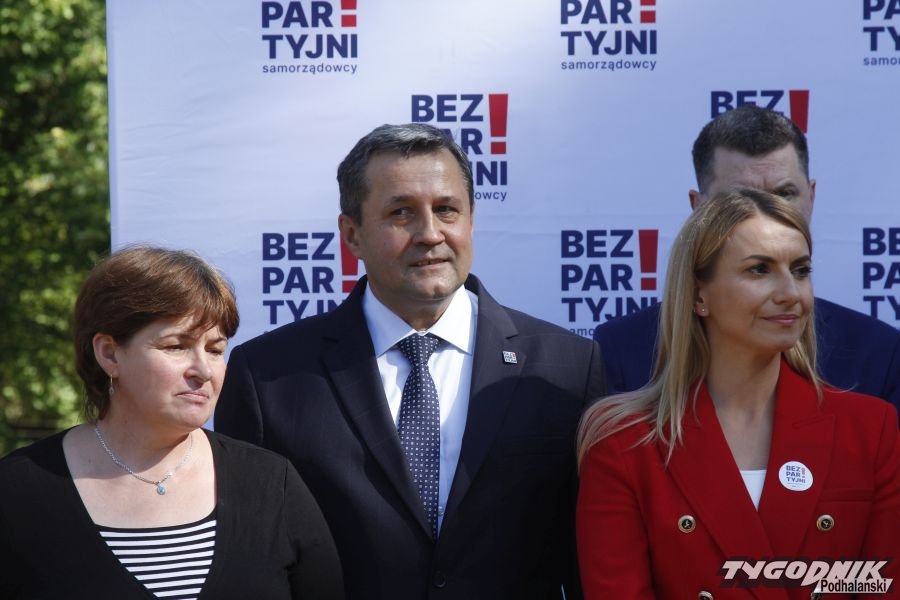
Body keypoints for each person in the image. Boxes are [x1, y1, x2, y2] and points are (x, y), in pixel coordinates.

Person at [215, 123, 606, 599]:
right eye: (401, 213)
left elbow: (594, 563)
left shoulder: (566, 366)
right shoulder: (268, 377)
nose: (430, 234)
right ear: (351, 234)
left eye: (446, 210)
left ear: (471, 220)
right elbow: (249, 566)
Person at [576, 188, 900, 598]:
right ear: (699, 294)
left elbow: (881, 586)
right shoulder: (624, 442)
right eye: (759, 270)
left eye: (800, 270)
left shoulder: (869, 429)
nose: (790, 293)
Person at [0, 246, 343, 600]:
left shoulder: (271, 484)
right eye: (177, 346)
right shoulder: (18, 492)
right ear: (109, 353)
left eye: (215, 349)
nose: (203, 370)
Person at [594, 105, 900, 411]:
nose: (766, 215)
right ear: (698, 208)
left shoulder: (877, 353)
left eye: (785, 194)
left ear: (811, 197)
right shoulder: (621, 349)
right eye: (739, 201)